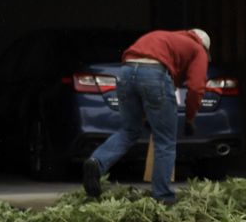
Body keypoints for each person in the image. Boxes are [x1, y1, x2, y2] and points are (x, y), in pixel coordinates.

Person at [82, 28, 210, 205]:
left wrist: (147, 111)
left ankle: (97, 162)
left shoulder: (166, 38)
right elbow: (196, 87)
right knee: (165, 140)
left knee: (129, 130)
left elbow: (140, 69)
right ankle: (163, 197)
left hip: (125, 73)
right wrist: (189, 118)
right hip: (154, 75)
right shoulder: (198, 50)